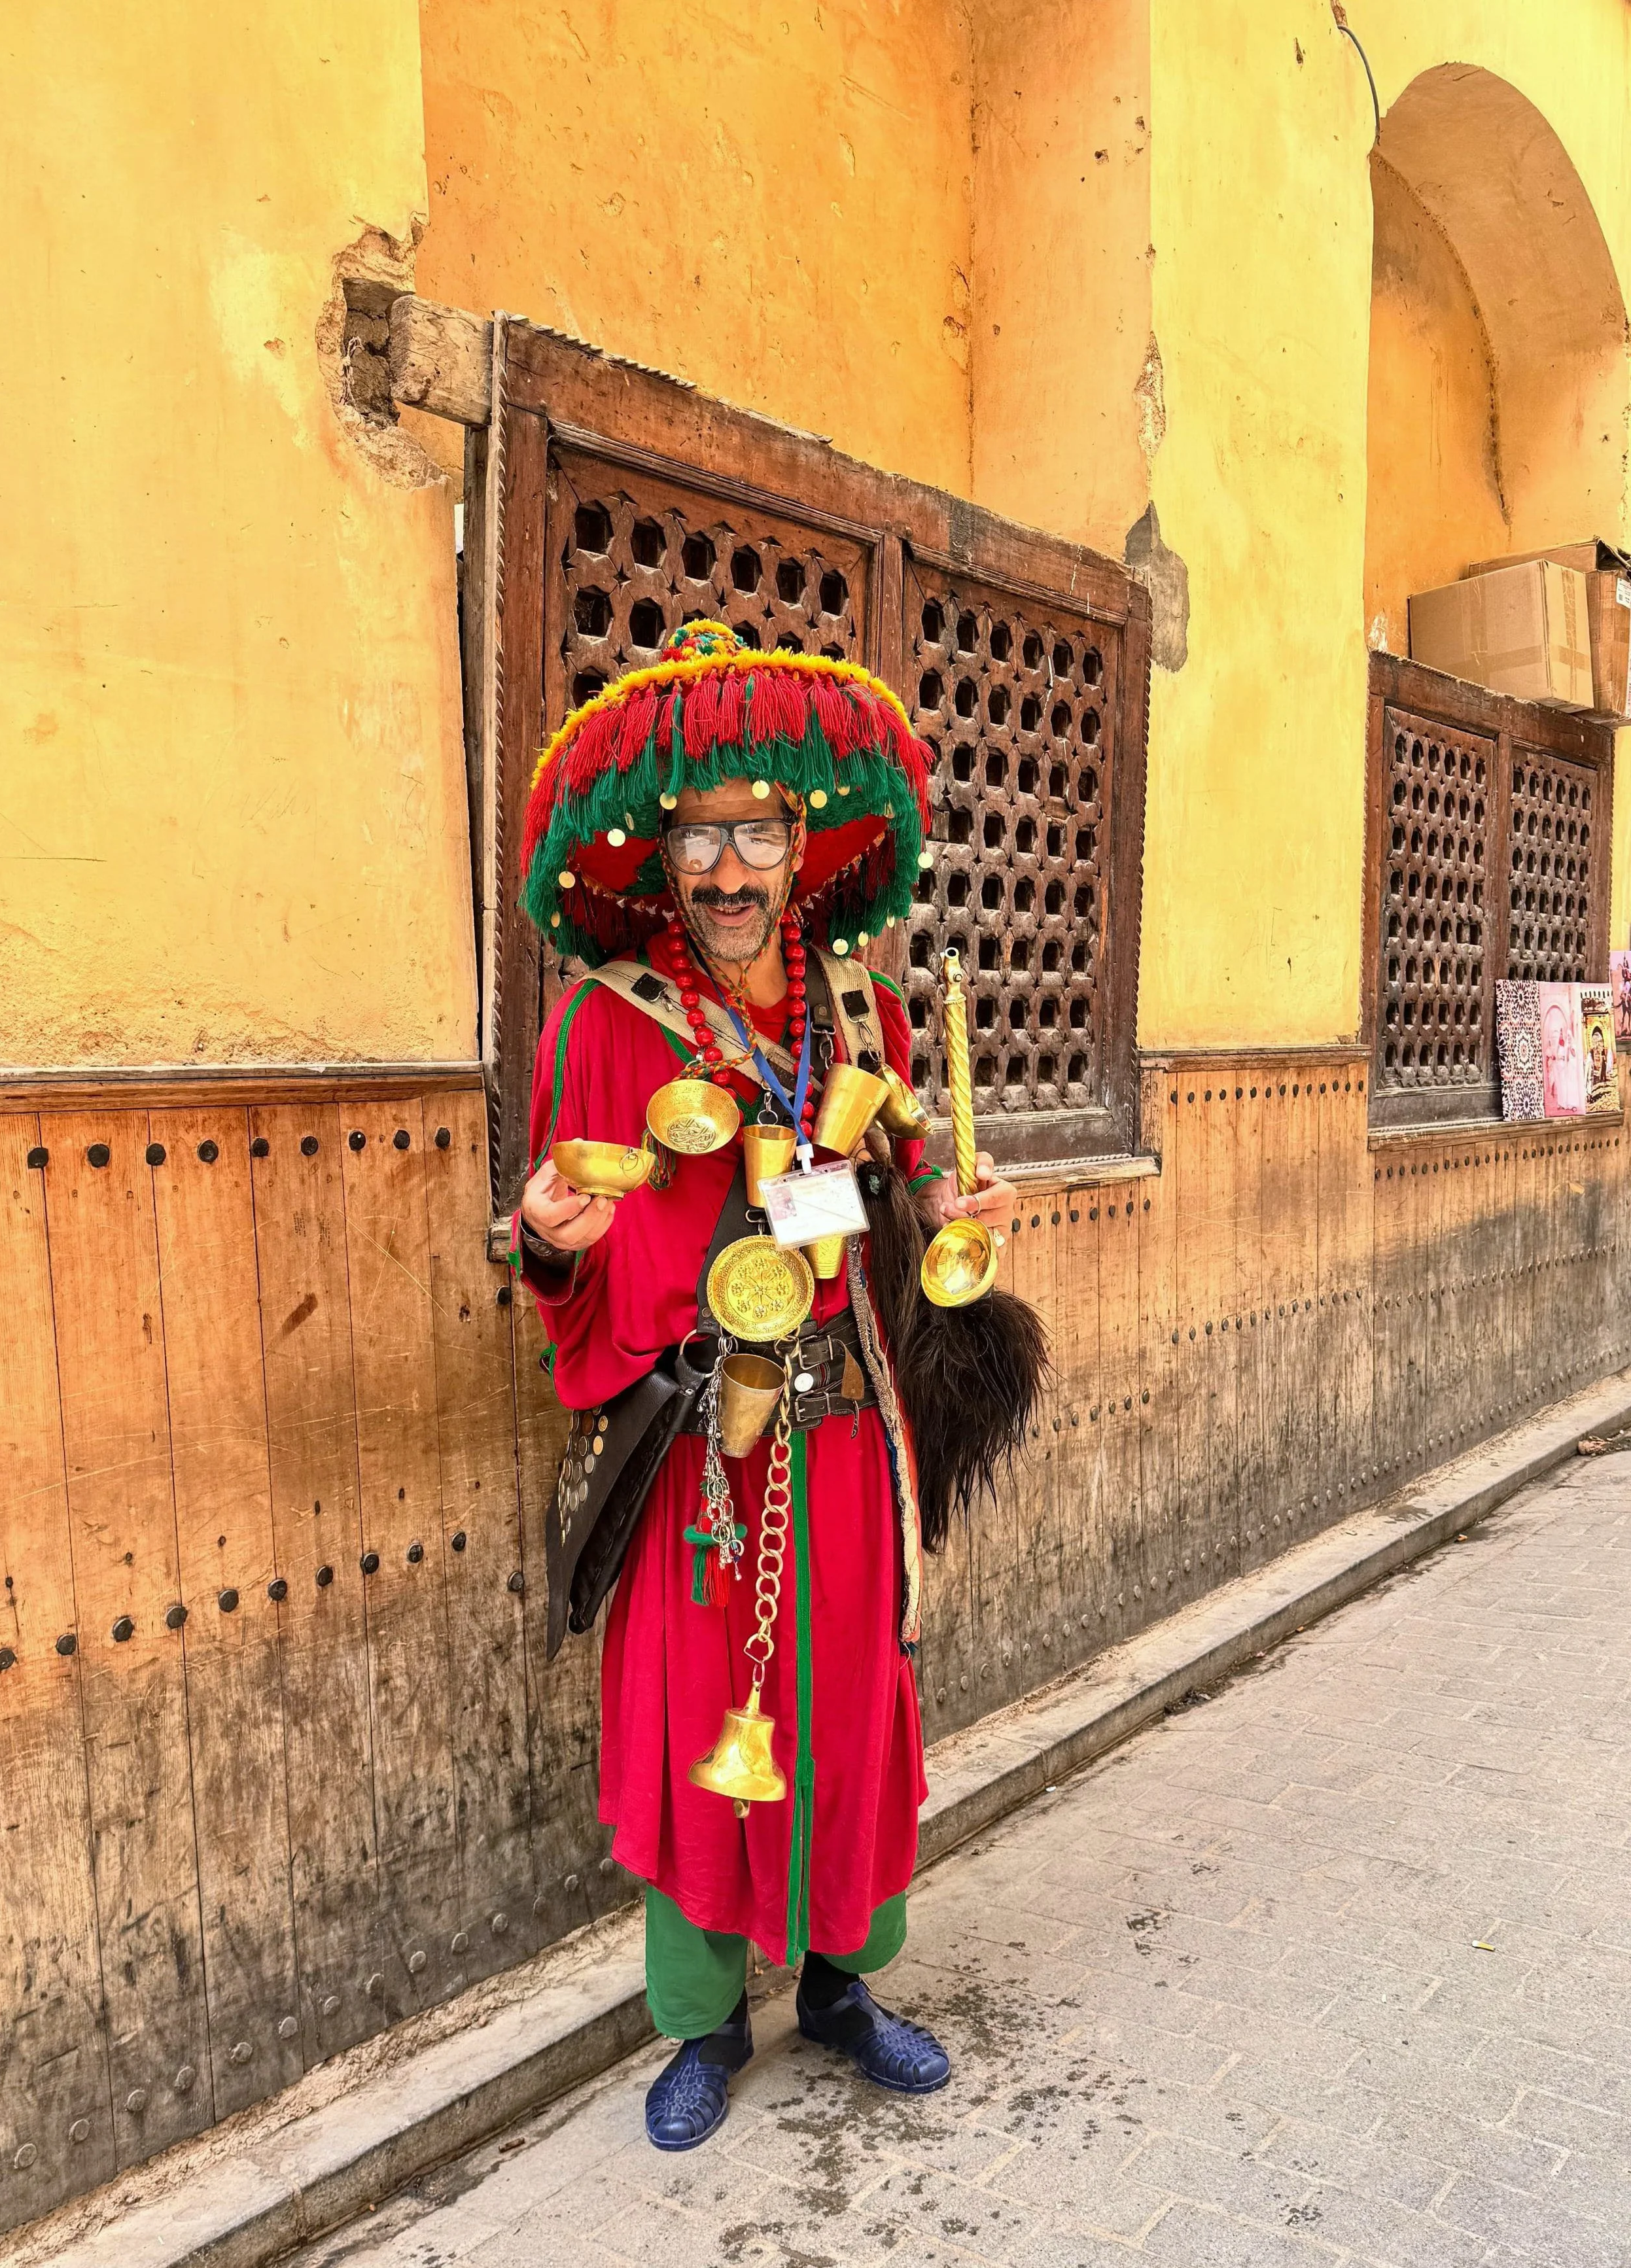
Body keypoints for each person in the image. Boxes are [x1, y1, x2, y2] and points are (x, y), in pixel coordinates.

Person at [509, 622, 1037, 2150]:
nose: (730, 868)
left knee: (849, 1709)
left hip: (849, 1420)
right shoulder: (606, 1024)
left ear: (803, 843)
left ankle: (838, 1983)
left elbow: (911, 1179)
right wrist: (550, 1248)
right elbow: (561, 1250)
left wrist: (958, 1215)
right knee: (699, 1726)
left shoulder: (861, 1009)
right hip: (698, 1438)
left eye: (757, 830)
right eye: (700, 836)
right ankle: (697, 2022)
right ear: (661, 856)